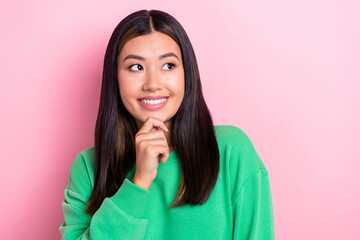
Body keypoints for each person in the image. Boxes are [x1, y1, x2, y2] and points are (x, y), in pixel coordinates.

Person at [59, 9, 275, 240]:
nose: (153, 84)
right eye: (136, 67)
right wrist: (139, 182)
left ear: (187, 73)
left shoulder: (231, 151)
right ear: (115, 78)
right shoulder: (89, 168)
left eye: (168, 66)